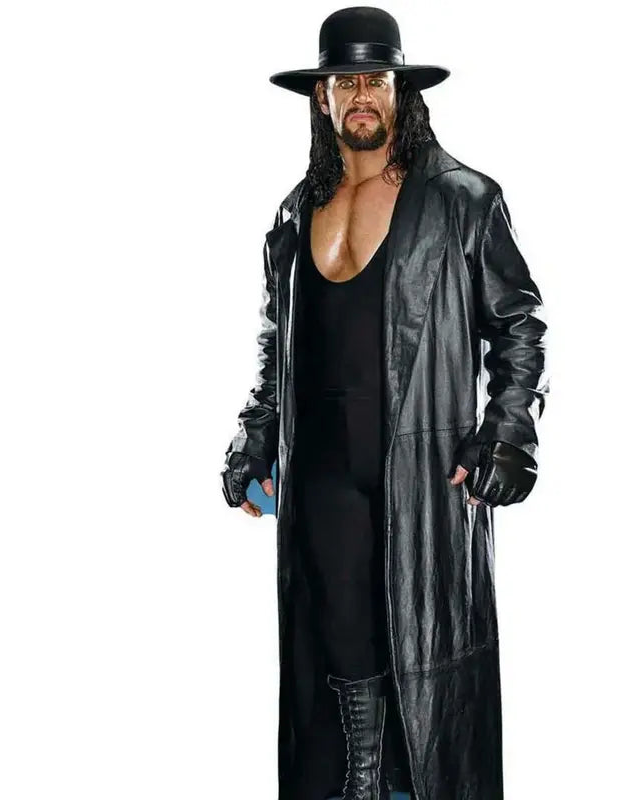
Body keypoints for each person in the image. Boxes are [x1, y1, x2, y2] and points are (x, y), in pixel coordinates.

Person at [221, 7, 550, 799]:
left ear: (402, 91)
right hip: (321, 473)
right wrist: (254, 439)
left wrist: (508, 434)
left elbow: (518, 326)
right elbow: (276, 344)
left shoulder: (463, 198)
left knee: (419, 649)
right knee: (340, 640)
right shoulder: (295, 213)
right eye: (346, 81)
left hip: (424, 467)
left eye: (376, 79)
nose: (362, 94)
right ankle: (361, 784)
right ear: (322, 97)